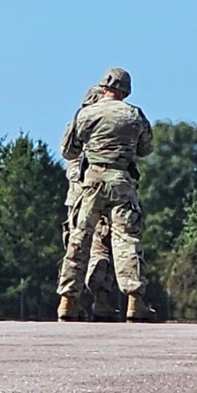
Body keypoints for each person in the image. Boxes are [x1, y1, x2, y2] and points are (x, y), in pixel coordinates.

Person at [56, 67, 155, 322]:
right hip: (122, 180)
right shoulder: (134, 114)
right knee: (127, 240)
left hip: (91, 182)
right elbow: (146, 148)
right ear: (126, 90)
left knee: (79, 239)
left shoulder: (86, 113)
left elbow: (68, 150)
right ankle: (135, 301)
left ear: (103, 87)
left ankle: (68, 300)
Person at [61, 84, 118, 321]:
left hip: (78, 192)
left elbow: (66, 151)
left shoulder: (79, 121)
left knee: (76, 243)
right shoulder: (112, 128)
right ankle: (102, 300)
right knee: (101, 247)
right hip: (103, 186)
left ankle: (69, 301)